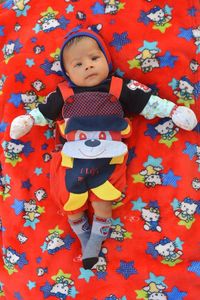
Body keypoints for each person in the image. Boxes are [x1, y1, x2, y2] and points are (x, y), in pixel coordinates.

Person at [10, 28, 197, 269]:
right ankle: (83, 236)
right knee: (71, 205)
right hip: (72, 163)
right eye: (78, 64)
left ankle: (95, 241)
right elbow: (43, 113)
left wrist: (172, 111)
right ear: (67, 73)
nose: (88, 66)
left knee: (103, 202)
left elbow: (149, 102)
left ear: (106, 60)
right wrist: (27, 120)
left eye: (94, 59)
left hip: (108, 161)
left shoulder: (119, 88)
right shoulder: (63, 94)